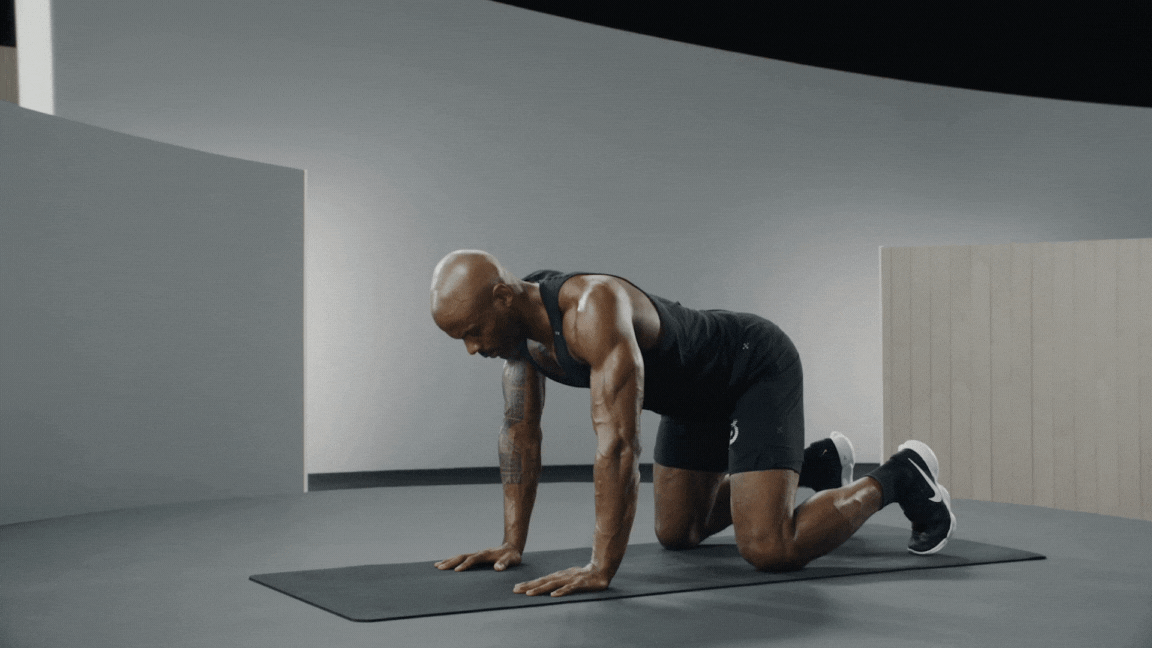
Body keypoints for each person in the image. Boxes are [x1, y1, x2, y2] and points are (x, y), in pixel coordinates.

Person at [429, 249, 956, 598]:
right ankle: (816, 463)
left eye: (474, 332)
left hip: (750, 366)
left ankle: (900, 475)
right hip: (691, 403)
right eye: (462, 340)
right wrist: (511, 542)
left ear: (502, 296)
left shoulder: (590, 308)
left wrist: (601, 566)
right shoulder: (520, 340)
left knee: (769, 548)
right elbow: (520, 434)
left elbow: (617, 446)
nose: (474, 348)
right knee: (677, 533)